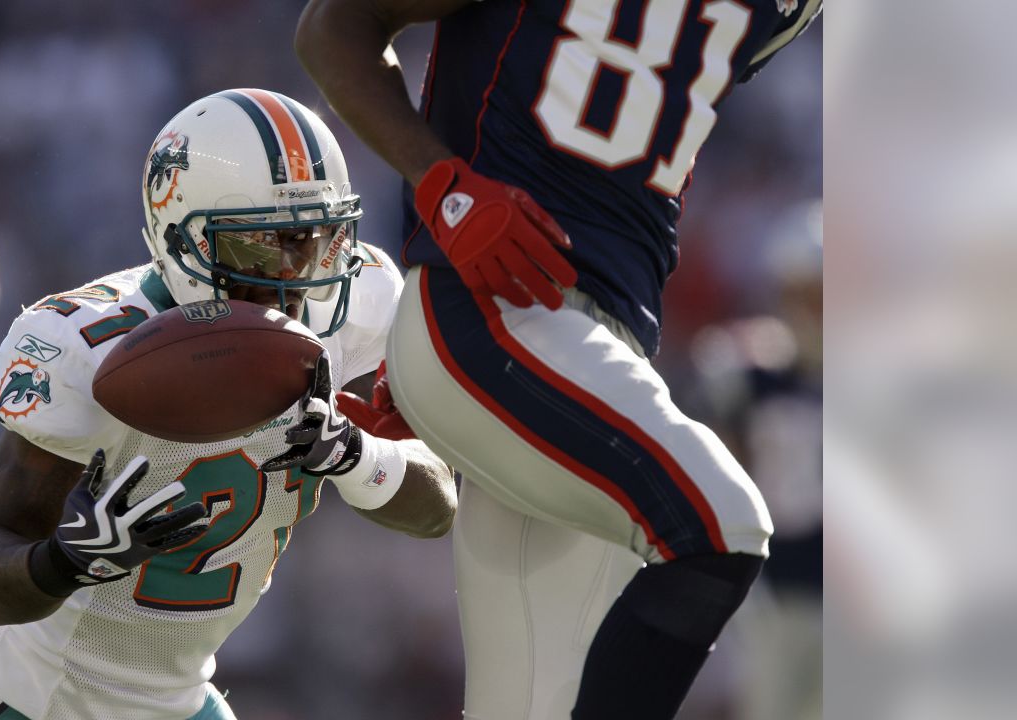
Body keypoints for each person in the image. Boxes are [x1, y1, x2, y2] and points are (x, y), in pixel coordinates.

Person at [298, 0, 821, 718]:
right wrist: (440, 186)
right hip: (492, 309)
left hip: (595, 345)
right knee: (717, 525)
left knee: (533, 705)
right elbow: (337, 27)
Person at [0, 89, 457, 720]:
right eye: (263, 246)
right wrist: (66, 561)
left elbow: (438, 507)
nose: (296, 275)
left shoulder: (357, 307)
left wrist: (357, 453)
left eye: (314, 241)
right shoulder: (88, 346)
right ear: (182, 240)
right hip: (21, 695)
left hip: (179, 703)